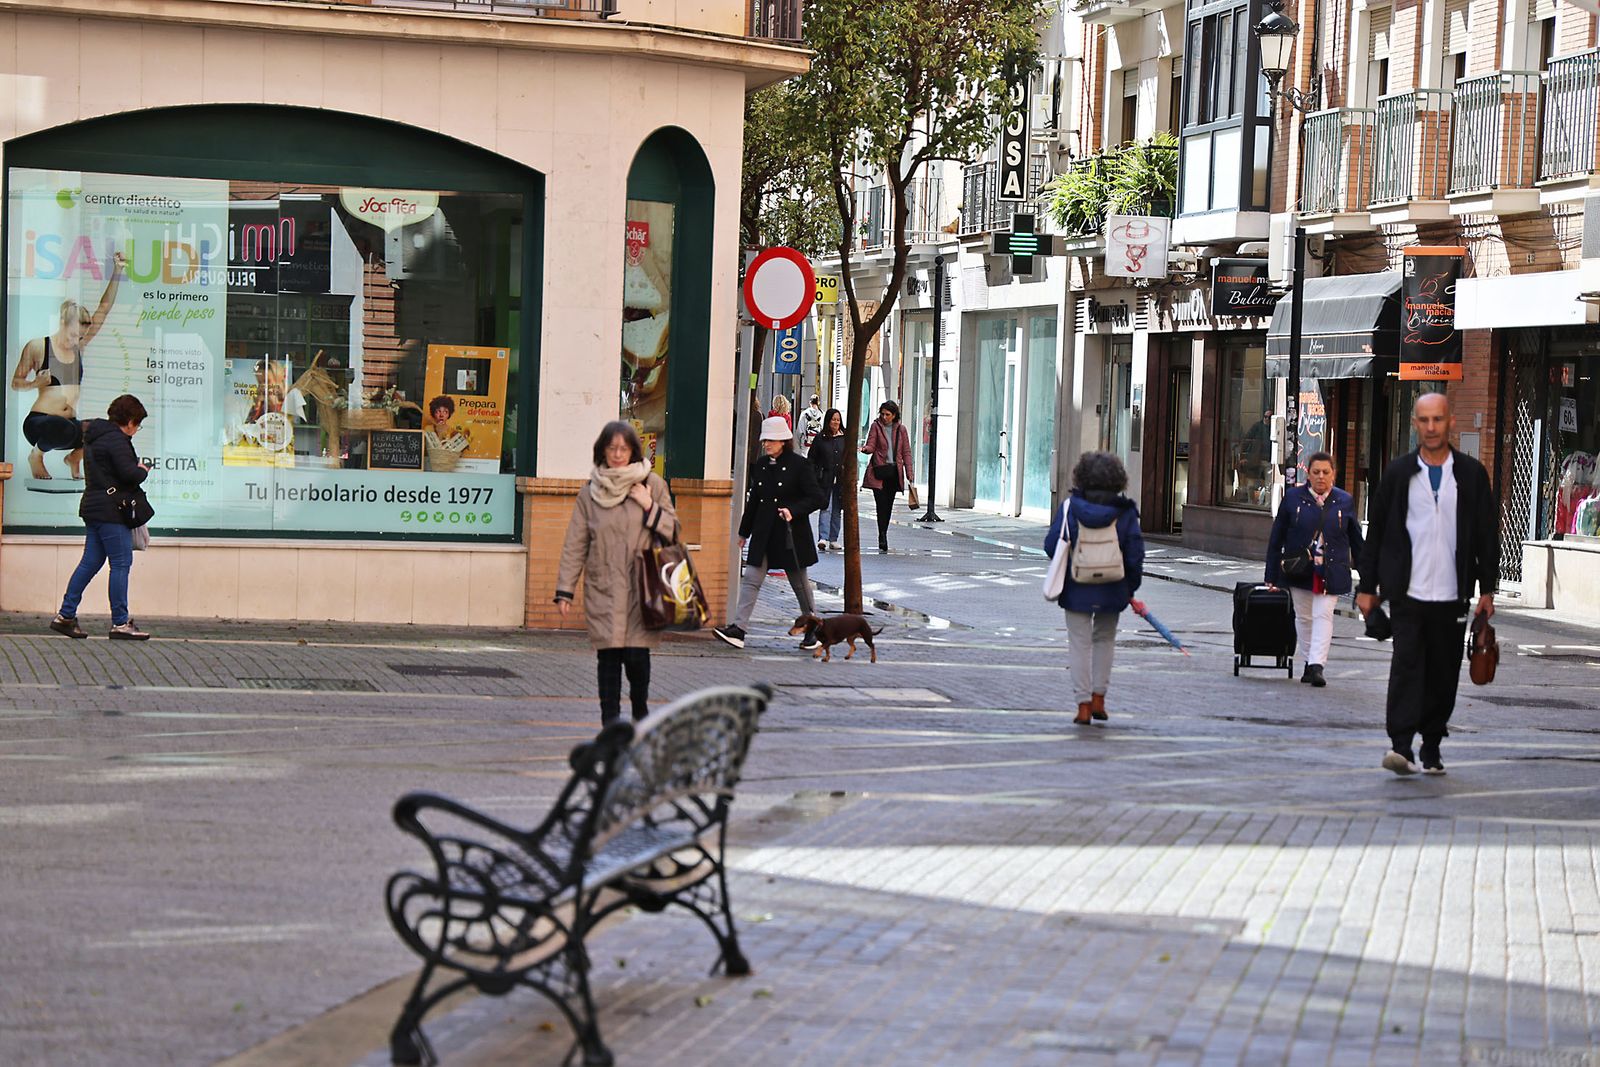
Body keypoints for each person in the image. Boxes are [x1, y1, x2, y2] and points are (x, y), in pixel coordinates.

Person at [1357, 392, 1498, 776]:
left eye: (1438, 419)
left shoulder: (1470, 474)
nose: (1432, 427)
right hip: (1407, 593)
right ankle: (1401, 746)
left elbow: (1486, 534)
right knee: (1406, 666)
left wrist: (1488, 589)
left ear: (1450, 421)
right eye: (1424, 420)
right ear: (1416, 424)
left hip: (1453, 594)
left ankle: (1432, 743)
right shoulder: (1399, 473)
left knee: (1442, 670)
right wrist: (1367, 586)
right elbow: (1378, 533)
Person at [555, 421, 679, 726]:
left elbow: (674, 533)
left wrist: (649, 505)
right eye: (612, 448)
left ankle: (639, 713)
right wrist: (565, 590)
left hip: (643, 588)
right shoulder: (590, 492)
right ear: (602, 451)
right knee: (608, 657)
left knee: (637, 657)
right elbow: (576, 542)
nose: (618, 454)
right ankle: (610, 721)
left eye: (624, 448)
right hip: (604, 586)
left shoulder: (654, 485)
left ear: (633, 451)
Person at [1044, 451, 1145, 726]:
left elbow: (1051, 545)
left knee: (1079, 643)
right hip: (1113, 586)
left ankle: (1083, 705)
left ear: (1082, 476)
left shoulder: (1069, 508)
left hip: (1076, 587)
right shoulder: (1125, 513)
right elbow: (1135, 554)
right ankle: (1099, 698)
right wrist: (1129, 588)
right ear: (1118, 479)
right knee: (1104, 640)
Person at [11, 252, 127, 481]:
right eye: (73, 335)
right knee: (60, 427)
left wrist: (118, 271)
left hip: (68, 425)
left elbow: (103, 309)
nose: (76, 340)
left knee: (104, 429)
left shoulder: (78, 348)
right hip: (40, 424)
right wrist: (35, 382)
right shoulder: (38, 346)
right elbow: (15, 382)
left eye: (80, 337)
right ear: (62, 323)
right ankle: (36, 455)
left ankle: (74, 458)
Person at [714, 416, 827, 650]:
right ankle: (739, 629)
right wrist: (743, 532)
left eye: (771, 440)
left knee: (800, 584)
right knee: (752, 580)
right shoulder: (763, 465)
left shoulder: (800, 465)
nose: (766, 444)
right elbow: (754, 501)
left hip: (790, 535)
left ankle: (813, 627)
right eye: (765, 440)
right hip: (764, 534)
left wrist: (793, 511)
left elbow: (817, 498)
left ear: (783, 441)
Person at [49, 394, 152, 641]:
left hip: (94, 507)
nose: (136, 430)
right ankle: (120, 622)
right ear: (128, 420)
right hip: (111, 511)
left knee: (90, 562)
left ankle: (65, 616)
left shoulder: (95, 437)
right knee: (121, 563)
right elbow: (128, 474)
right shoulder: (117, 440)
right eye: (136, 424)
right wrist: (142, 470)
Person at [1264, 451, 1365, 688]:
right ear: (1307, 473)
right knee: (1305, 617)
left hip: (1331, 570)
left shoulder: (1344, 501)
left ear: (1334, 475)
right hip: (1300, 569)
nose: (1321, 477)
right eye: (1316, 472)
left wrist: (1367, 576)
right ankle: (1309, 661)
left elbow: (1357, 541)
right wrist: (1271, 575)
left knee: (1323, 614)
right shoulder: (1293, 498)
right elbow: (1276, 538)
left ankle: (1317, 665)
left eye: (1326, 472)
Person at [861, 400, 914, 554]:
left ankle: (884, 531)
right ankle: (882, 535)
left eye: (888, 414)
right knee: (880, 504)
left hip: (893, 472)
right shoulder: (876, 426)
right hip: (879, 471)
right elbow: (871, 444)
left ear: (894, 415)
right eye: (882, 414)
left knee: (888, 505)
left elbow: (906, 452)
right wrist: (865, 449)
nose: (884, 417)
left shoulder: (901, 430)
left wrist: (909, 473)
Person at [810, 407, 847, 551]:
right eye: (833, 419)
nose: (836, 422)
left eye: (838, 420)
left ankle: (833, 538)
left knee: (837, 510)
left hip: (841, 479)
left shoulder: (844, 437)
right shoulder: (821, 438)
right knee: (826, 507)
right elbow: (812, 458)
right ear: (828, 421)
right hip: (825, 478)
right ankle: (823, 538)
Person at [1236, 409, 1273, 503]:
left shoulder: (1273, 428)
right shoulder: (1257, 426)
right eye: (1265, 417)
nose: (1267, 419)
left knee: (1269, 484)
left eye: (1269, 417)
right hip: (1256, 459)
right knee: (1251, 484)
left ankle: (1267, 503)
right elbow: (1247, 440)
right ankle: (1251, 502)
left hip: (1268, 459)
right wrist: (1244, 456)